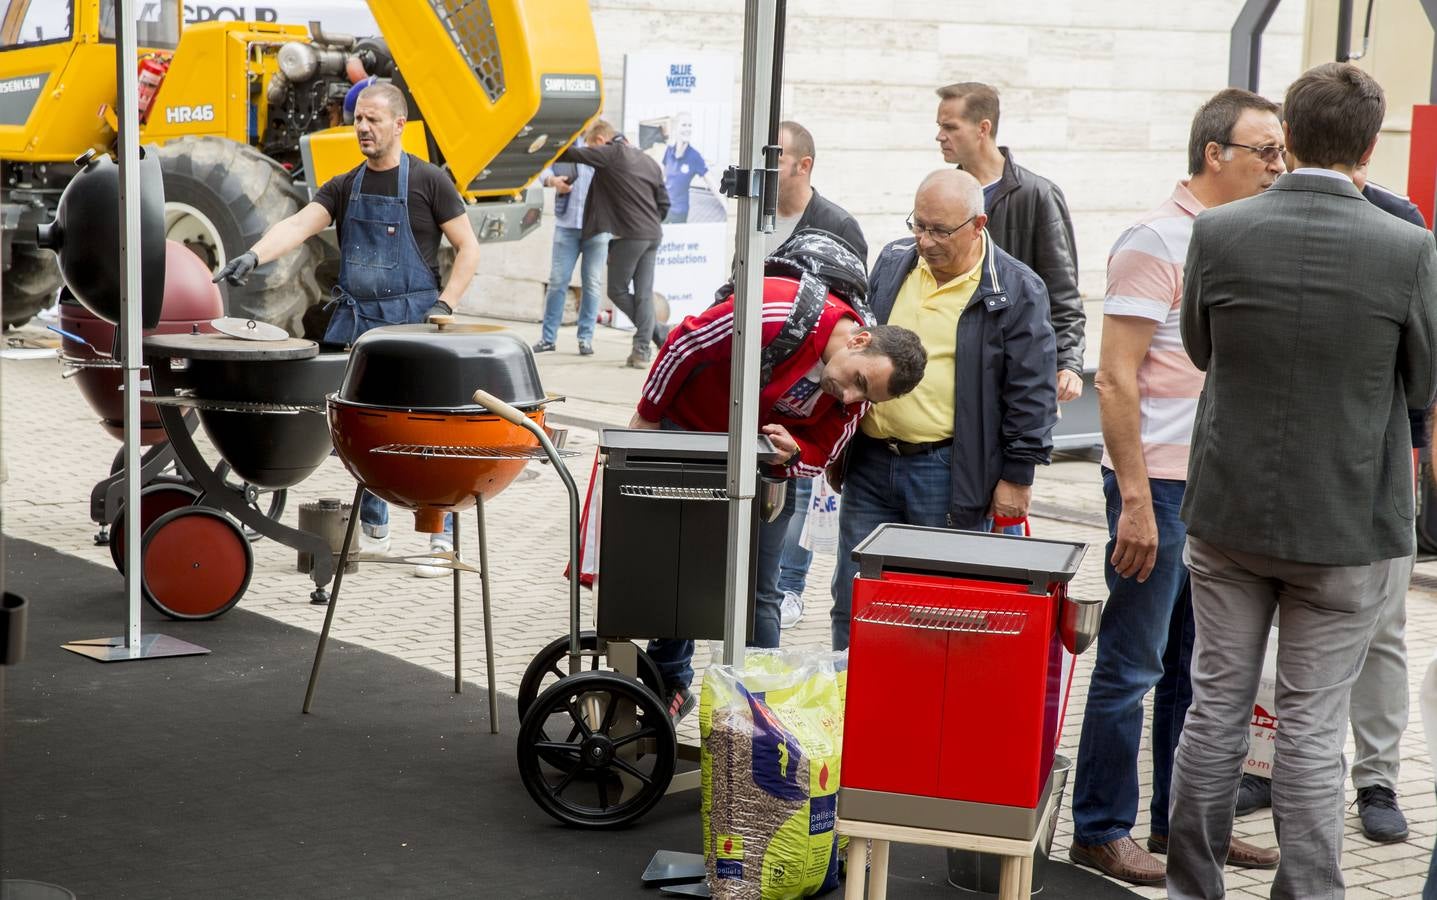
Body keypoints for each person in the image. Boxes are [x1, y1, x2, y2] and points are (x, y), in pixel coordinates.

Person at [1166, 63, 1437, 900]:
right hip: (1347, 523)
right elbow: (1421, 385)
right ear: (1366, 144)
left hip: (1228, 511)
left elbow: (1201, 349)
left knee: (1213, 710)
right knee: (1313, 729)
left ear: (1287, 134)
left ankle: (1190, 889)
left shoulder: (1218, 231)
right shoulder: (1408, 246)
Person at [1067, 88, 1286, 887]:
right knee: (1133, 664)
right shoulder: (1155, 239)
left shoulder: (1235, 238)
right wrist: (1130, 499)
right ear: (1212, 155)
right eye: (1263, 150)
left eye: (1281, 151)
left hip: (1212, 487)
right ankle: (1097, 827)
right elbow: (1116, 382)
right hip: (1153, 489)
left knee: (1198, 671)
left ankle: (1182, 826)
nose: (1277, 166)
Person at [632, 231, 927, 720]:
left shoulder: (851, 398)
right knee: (681, 569)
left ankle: (757, 709)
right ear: (858, 339)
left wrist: (794, 455)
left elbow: (823, 453)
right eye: (856, 381)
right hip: (691, 432)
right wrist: (647, 417)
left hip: (766, 467)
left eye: (866, 397)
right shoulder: (779, 310)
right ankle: (668, 683)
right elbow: (685, 341)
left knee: (761, 592)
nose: (851, 398)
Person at [1233, 160, 1428, 844]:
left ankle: (1375, 778)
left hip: (1374, 466)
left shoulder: (1399, 224)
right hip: (1277, 465)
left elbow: (1421, 363)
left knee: (1383, 631)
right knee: (1269, 623)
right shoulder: (1261, 214)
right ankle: (1262, 764)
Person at [213, 81, 479, 579]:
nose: (362, 127)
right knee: (358, 431)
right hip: (357, 327)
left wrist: (445, 304)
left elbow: (469, 248)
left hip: (413, 326)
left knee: (422, 434)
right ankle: (376, 517)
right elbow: (296, 227)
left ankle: (438, 539)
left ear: (399, 125)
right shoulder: (344, 185)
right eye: (358, 118)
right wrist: (252, 256)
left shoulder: (429, 182)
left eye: (373, 119)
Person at [828, 169, 1057, 652]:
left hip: (947, 470)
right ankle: (849, 709)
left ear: (979, 224)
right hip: (870, 462)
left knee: (935, 606)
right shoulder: (894, 262)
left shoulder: (1015, 288)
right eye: (919, 224)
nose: (924, 240)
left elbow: (1032, 392)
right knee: (854, 595)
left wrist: (1018, 476)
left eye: (939, 230)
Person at [763, 119, 868, 630]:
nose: (765, 168)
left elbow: (854, 312)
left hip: (814, 388)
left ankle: (790, 586)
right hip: (759, 385)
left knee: (800, 488)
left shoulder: (836, 224)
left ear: (803, 165)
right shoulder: (752, 214)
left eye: (776, 158)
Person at [935, 82, 1085, 403]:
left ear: (983, 129)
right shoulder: (943, 193)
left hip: (1016, 371)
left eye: (950, 127)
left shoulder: (1037, 195)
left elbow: (1062, 291)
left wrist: (1068, 362)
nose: (939, 136)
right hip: (953, 368)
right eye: (939, 127)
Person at [558, 120, 669, 368]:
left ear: (599, 141)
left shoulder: (611, 153)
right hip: (653, 233)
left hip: (631, 236)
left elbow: (570, 153)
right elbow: (664, 204)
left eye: (590, 144)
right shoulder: (648, 161)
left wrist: (548, 139)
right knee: (642, 293)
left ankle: (658, 333)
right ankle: (642, 351)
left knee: (617, 290)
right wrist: (648, 224)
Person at [531, 142, 609, 356]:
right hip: (566, 225)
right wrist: (551, 180)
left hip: (598, 228)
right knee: (557, 282)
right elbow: (544, 164)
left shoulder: (603, 145)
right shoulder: (567, 140)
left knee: (592, 284)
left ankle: (585, 339)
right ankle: (548, 339)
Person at [661, 111, 725, 224]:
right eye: (684, 125)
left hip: (679, 213)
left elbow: (712, 183)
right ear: (676, 128)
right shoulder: (669, 151)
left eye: (690, 125)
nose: (688, 129)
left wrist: (726, 206)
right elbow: (662, 177)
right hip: (664, 208)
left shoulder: (694, 157)